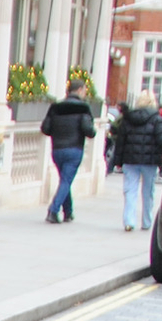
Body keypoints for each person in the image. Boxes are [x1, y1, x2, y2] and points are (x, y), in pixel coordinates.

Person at [40, 81, 96, 224]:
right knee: (66, 180)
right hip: (74, 148)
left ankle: (68, 212)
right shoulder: (83, 108)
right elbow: (88, 130)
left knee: (65, 180)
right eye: (84, 90)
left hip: (57, 149)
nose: (84, 93)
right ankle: (53, 210)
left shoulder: (56, 107)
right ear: (79, 90)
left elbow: (45, 128)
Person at [113, 91, 162, 231]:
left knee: (130, 190)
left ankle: (129, 221)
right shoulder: (157, 119)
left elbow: (121, 141)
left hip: (130, 159)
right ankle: (146, 221)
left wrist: (117, 160)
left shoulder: (128, 118)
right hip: (150, 160)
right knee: (148, 191)